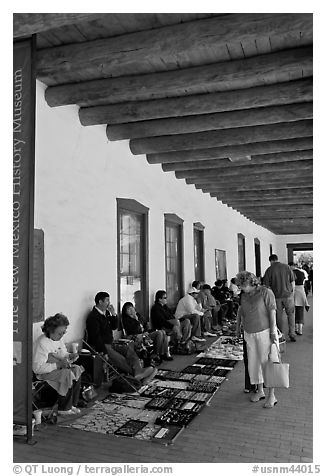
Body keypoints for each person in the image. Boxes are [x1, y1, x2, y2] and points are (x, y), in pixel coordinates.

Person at [86, 292, 156, 383]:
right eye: (107, 300)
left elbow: (114, 327)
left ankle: (139, 372)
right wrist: (104, 351)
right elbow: (96, 337)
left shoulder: (106, 313)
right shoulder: (93, 317)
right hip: (102, 345)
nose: (109, 303)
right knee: (120, 359)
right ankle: (136, 374)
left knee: (128, 349)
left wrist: (114, 314)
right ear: (100, 301)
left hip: (111, 342)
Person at [235, 271, 278, 408]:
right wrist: (237, 328)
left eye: (243, 285)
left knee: (268, 363)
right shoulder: (244, 295)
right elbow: (241, 312)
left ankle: (272, 395)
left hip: (265, 332)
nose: (241, 288)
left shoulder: (265, 292)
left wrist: (272, 331)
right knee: (254, 363)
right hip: (249, 333)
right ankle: (260, 390)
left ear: (251, 282)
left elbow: (272, 311)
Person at [33, 313, 83, 416]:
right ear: (50, 331)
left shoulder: (58, 339)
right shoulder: (41, 343)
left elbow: (62, 353)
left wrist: (70, 356)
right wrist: (58, 365)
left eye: (64, 332)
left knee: (77, 369)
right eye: (60, 333)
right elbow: (37, 368)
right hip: (44, 373)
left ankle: (72, 404)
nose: (62, 336)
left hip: (57, 367)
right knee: (67, 374)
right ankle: (64, 408)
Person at [263, 254, 296, 342]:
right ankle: (292, 333)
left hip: (276, 297)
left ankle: (281, 335)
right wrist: (292, 293)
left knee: (278, 316)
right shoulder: (287, 267)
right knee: (291, 314)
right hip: (288, 295)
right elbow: (292, 281)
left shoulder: (269, 270)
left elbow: (266, 286)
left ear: (271, 261)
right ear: (277, 259)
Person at [289, 263, 310, 336]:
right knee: (300, 311)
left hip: (293, 292)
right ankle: (300, 329)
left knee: (293, 311)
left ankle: (294, 328)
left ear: (291, 266)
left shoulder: (290, 273)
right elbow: (305, 282)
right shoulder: (302, 272)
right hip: (301, 291)